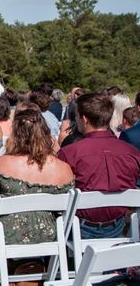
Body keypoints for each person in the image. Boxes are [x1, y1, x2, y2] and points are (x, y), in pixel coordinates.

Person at [0, 108, 74, 286]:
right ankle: (28, 266)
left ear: (16, 133)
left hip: (8, 233)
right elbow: (64, 208)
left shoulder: (4, 163)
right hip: (50, 234)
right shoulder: (64, 168)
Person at [58, 93, 140, 239]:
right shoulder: (132, 152)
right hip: (119, 227)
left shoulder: (69, 153)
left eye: (76, 117)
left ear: (84, 119)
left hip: (79, 229)